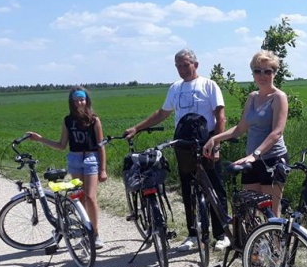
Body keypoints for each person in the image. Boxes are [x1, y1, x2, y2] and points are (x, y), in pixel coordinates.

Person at [126, 49, 230, 252]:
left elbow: (221, 116)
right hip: (183, 144)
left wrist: (216, 144)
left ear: (195, 65)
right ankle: (193, 234)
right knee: (187, 188)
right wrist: (138, 127)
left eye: (186, 65)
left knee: (215, 188)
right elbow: (162, 113)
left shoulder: (209, 85)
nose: (182, 69)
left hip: (206, 141)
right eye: (178, 66)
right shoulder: (175, 88)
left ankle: (221, 234)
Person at [202, 50, 289, 218]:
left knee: (272, 212)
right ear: (253, 74)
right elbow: (240, 128)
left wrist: (255, 154)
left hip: (272, 159)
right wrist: (215, 138)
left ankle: (277, 244)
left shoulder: (279, 97)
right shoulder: (252, 97)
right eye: (258, 71)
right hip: (252, 160)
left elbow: (277, 132)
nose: (262, 75)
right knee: (250, 211)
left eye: (267, 71)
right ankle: (256, 244)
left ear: (274, 73)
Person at [28, 87, 108, 249]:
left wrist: (103, 169)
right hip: (75, 159)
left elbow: (101, 146)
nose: (80, 102)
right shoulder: (68, 121)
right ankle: (86, 233)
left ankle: (96, 234)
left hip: (92, 159)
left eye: (82, 99)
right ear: (71, 102)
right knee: (81, 198)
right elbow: (61, 145)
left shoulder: (94, 120)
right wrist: (39, 139)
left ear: (87, 100)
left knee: (91, 197)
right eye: (76, 100)